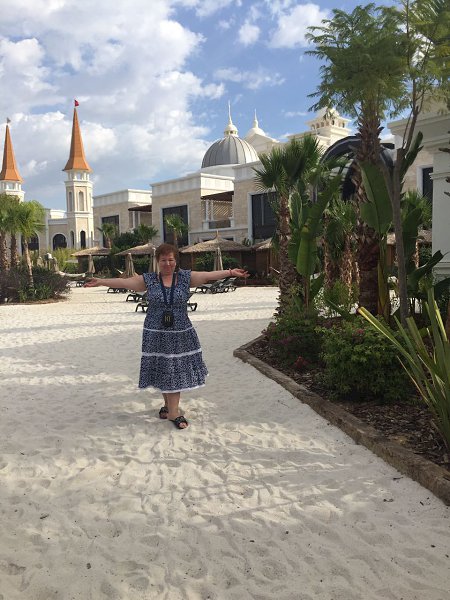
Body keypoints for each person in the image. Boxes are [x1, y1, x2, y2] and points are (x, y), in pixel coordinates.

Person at [84, 243, 248, 429]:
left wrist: (230, 272)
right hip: (156, 333)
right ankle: (172, 410)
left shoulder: (185, 278)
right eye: (163, 260)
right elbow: (124, 283)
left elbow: (208, 275)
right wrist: (102, 281)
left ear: (176, 261)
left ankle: (172, 410)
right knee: (164, 367)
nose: (167, 263)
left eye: (171, 260)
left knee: (174, 369)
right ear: (157, 261)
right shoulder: (149, 280)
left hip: (180, 333)